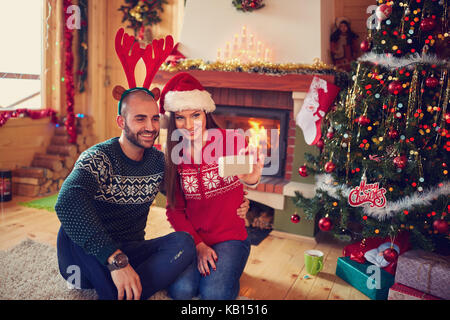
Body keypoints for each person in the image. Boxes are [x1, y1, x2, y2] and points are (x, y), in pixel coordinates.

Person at [160, 72, 264, 300]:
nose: (188, 125)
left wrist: (252, 177)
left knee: (215, 294)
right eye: (180, 118)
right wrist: (198, 245)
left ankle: (228, 277)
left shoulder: (231, 141)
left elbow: (246, 179)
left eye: (195, 115)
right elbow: (174, 210)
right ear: (172, 119)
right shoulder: (174, 156)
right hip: (193, 238)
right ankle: (217, 273)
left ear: (205, 112)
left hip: (230, 237)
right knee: (181, 291)